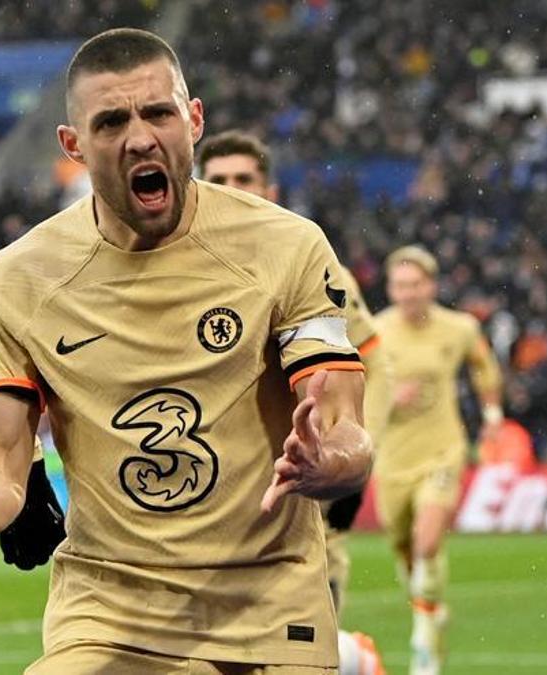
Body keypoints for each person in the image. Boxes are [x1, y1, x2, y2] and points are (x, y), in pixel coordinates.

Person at [0, 28, 373, 673]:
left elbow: (343, 426)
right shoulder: (21, 278)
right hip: (109, 614)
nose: (140, 138)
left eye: (158, 113)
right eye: (111, 122)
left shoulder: (287, 247)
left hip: (269, 606)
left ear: (193, 121)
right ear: (72, 146)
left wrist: (329, 460)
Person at [199, 130, 390, 674]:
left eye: (244, 179)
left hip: (301, 492)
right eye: (218, 181)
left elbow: (372, 361)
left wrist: (353, 449)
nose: (233, 189)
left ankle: (348, 659)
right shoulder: (175, 271)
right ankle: (356, 660)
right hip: (212, 501)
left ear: (271, 188)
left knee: (299, 652)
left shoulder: (311, 262)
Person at [374, 245, 503, 675]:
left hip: (444, 450)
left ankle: (425, 646)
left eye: (415, 285)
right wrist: (389, 399)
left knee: (428, 540)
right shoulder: (373, 332)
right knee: (406, 551)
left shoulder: (459, 328)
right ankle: (431, 607)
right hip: (392, 458)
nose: (407, 293)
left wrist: (492, 415)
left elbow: (484, 366)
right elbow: (354, 391)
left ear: (431, 285)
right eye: (399, 285)